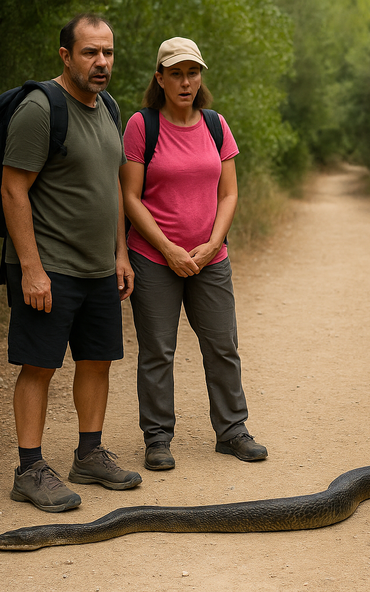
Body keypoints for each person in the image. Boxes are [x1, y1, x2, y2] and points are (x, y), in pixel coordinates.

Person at [1, 13, 142, 512]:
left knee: (97, 361)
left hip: (99, 267)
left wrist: (121, 253)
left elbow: (113, 188)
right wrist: (31, 268)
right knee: (39, 366)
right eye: (90, 52)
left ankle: (89, 455)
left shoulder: (109, 107)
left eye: (108, 52)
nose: (102, 62)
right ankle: (29, 469)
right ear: (66, 56)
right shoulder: (41, 108)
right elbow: (13, 189)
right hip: (50, 266)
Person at [120, 37, 268, 471]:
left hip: (210, 259)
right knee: (157, 352)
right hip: (154, 258)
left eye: (193, 73)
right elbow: (129, 197)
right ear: (160, 78)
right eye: (176, 74)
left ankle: (233, 431)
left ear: (200, 77)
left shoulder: (216, 125)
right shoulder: (141, 126)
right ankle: (157, 439)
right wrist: (168, 248)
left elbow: (229, 193)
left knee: (223, 346)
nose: (186, 82)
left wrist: (213, 244)